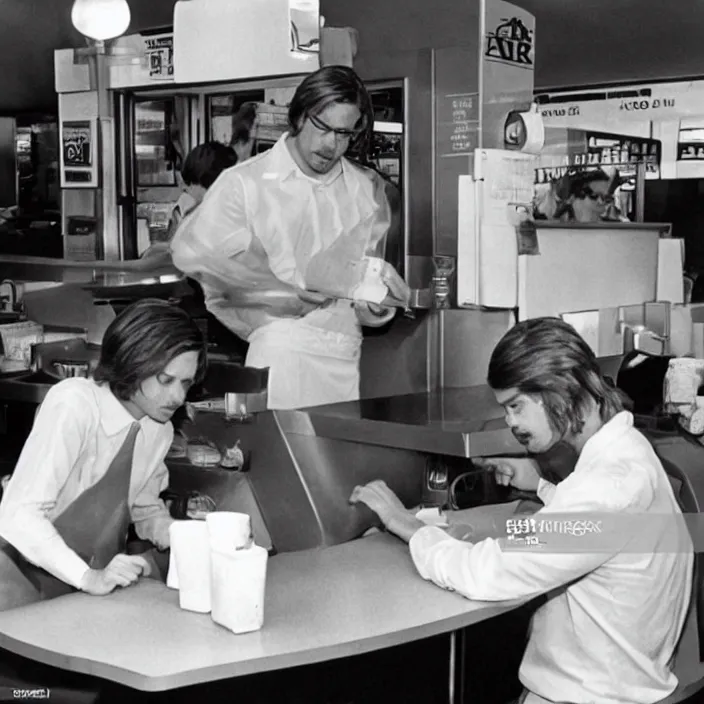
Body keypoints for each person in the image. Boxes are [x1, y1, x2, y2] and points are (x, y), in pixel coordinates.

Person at [350, 317, 693, 704]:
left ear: (560, 391)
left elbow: (489, 573)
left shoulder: (605, 491)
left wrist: (410, 527)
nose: (510, 422)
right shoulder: (629, 452)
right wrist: (542, 486)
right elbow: (593, 533)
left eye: (515, 406)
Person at [170, 65, 409, 410]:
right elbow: (203, 271)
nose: (332, 144)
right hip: (277, 357)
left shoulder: (368, 190)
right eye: (323, 127)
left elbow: (369, 287)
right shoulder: (244, 184)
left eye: (345, 134)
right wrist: (281, 295)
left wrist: (376, 307)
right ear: (298, 116)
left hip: (346, 361)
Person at [0, 298, 207, 611]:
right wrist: (87, 578)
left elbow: (142, 506)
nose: (178, 396)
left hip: (86, 584)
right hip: (20, 576)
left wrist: (184, 537)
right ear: (131, 363)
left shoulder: (157, 431)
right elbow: (19, 514)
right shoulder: (75, 405)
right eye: (166, 380)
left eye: (186, 383)